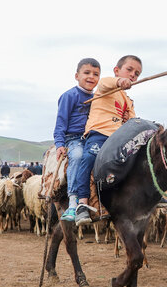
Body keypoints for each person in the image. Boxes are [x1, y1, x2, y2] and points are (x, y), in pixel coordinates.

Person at [73, 55, 142, 225]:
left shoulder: (129, 101)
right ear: (117, 71)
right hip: (99, 133)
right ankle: (82, 203)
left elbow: (132, 122)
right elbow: (106, 83)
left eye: (137, 73)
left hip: (119, 139)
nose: (133, 75)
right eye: (129, 70)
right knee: (88, 157)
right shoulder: (105, 86)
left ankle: (149, 193)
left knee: (142, 159)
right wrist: (119, 82)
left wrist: (128, 118)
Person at [53, 58, 102, 221]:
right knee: (78, 156)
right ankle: (73, 202)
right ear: (77, 75)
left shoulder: (98, 98)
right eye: (87, 73)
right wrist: (60, 144)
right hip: (73, 138)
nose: (91, 77)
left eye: (96, 74)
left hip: (92, 137)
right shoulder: (69, 96)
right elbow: (61, 122)